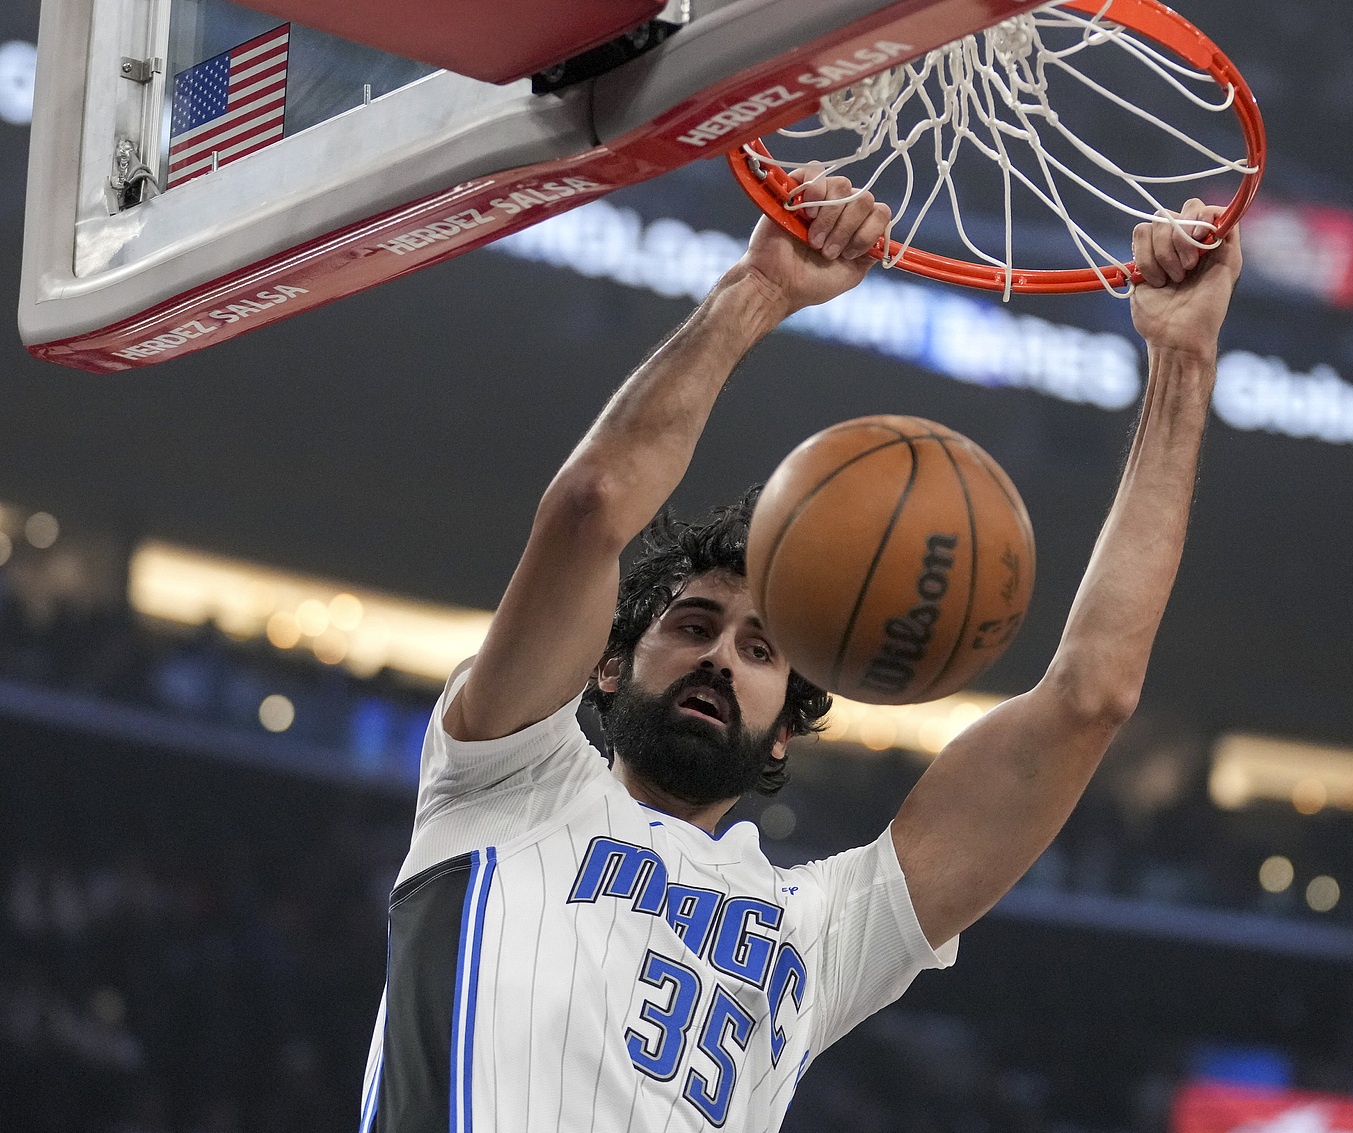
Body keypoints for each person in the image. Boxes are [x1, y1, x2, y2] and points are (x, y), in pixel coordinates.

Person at [356, 170, 1241, 1132]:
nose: (720, 658)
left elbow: (1091, 697)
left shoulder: (817, 930)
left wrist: (1183, 362)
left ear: (784, 732)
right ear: (606, 668)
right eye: (692, 625)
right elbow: (592, 503)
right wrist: (760, 290)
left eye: (760, 649)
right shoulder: (506, 774)